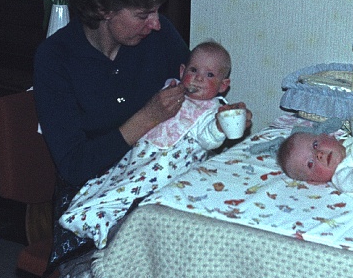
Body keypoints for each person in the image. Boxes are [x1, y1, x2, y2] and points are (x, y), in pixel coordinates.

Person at [34, 0, 252, 278]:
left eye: (156, 11)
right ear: (103, 11)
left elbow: (199, 96)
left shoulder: (158, 36)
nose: (156, 23)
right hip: (96, 197)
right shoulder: (56, 58)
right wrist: (144, 120)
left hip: (164, 183)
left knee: (207, 252)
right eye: (143, 14)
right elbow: (73, 166)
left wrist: (224, 117)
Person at [59, 40, 247, 249]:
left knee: (134, 193)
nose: (199, 78)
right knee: (113, 181)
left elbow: (208, 139)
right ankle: (83, 212)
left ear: (223, 85)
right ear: (182, 70)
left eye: (209, 75)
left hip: (168, 167)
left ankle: (108, 226)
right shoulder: (171, 89)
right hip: (141, 154)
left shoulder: (213, 111)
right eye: (193, 70)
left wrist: (221, 126)